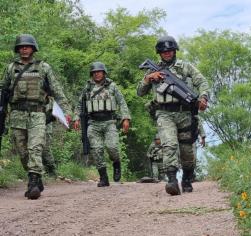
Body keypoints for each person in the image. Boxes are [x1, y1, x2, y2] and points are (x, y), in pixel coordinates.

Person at [0, 34, 72, 199]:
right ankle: (37, 176)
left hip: (38, 114)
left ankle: (33, 183)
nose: (24, 49)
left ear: (33, 48)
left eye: (27, 46)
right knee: (23, 151)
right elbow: (3, 90)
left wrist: (68, 112)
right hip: (17, 114)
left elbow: (57, 91)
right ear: (18, 49)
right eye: (21, 47)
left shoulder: (44, 67)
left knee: (35, 148)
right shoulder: (11, 68)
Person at [137, 35, 209, 195]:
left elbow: (202, 82)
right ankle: (171, 180)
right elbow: (140, 92)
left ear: (175, 51)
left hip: (185, 114)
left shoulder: (185, 67)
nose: (167, 53)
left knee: (187, 152)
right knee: (169, 145)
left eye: (170, 50)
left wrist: (203, 97)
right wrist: (148, 79)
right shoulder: (152, 70)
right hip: (164, 113)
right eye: (164, 51)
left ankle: (187, 179)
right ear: (159, 53)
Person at [74, 62, 131, 187]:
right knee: (97, 150)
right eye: (94, 72)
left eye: (99, 72)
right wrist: (76, 118)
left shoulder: (112, 86)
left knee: (112, 147)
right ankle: (103, 177)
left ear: (104, 73)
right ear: (91, 74)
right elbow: (79, 105)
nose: (97, 74)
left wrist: (125, 118)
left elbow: (122, 102)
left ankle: (116, 163)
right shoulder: (87, 88)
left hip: (109, 122)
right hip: (93, 123)